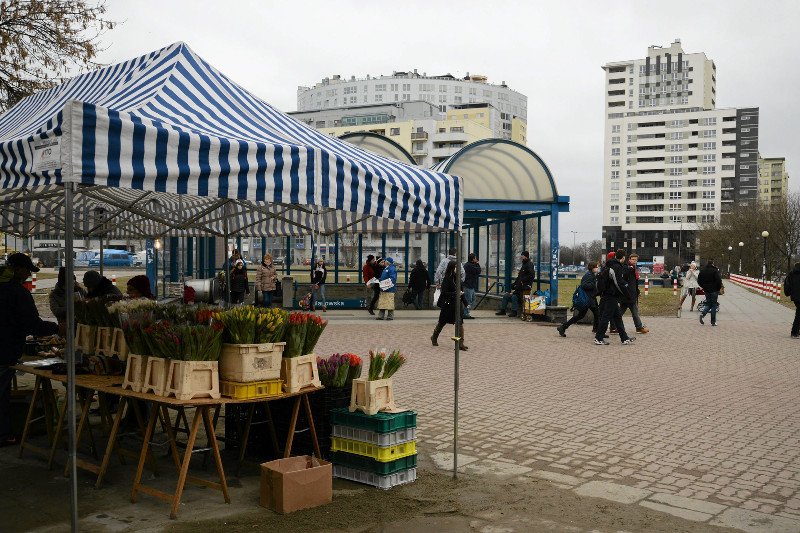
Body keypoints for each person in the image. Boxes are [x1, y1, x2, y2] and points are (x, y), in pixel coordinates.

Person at [0, 253, 59, 447]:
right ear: (18, 269)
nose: (28, 276)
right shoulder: (17, 292)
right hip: (4, 351)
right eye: (27, 271)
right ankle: (4, 435)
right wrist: (59, 329)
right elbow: (32, 324)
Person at [595, 249, 635, 345]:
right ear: (623, 257)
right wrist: (627, 294)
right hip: (611, 295)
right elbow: (618, 283)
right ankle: (598, 338)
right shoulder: (616, 267)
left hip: (608, 294)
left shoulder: (609, 265)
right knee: (606, 316)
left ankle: (624, 338)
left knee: (617, 317)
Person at [431, 261, 468, 350]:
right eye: (456, 267)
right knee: (442, 322)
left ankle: (460, 343)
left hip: (457, 305)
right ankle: (434, 337)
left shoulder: (458, 278)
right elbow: (444, 293)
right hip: (448, 305)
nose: (457, 269)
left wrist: (465, 303)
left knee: (460, 323)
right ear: (452, 268)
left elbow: (461, 291)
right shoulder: (447, 279)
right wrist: (455, 293)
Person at [557, 262, 600, 337]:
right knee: (597, 314)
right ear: (593, 268)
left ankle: (563, 327)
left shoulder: (591, 274)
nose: (597, 268)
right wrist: (593, 285)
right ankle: (599, 332)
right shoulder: (589, 275)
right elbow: (584, 285)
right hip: (588, 299)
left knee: (581, 316)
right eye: (596, 267)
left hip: (590, 298)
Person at [495, 251, 535, 318]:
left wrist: (522, 281)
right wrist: (513, 284)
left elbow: (531, 275)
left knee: (514, 297)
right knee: (506, 296)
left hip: (524, 289)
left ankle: (514, 312)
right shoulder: (524, 265)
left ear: (525, 256)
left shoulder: (529, 264)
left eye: (522, 256)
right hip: (518, 289)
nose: (521, 257)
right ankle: (503, 310)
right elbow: (519, 278)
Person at [619, 253, 649, 334]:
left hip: (631, 294)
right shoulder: (626, 268)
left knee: (620, 312)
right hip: (628, 295)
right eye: (633, 259)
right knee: (634, 313)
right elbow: (622, 280)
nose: (634, 261)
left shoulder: (633, 268)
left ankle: (613, 326)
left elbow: (634, 283)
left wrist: (637, 291)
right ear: (629, 259)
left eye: (636, 260)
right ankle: (639, 327)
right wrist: (628, 290)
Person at [697, 259, 722, 326]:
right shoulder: (715, 271)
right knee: (714, 305)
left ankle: (702, 314)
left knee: (708, 304)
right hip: (714, 290)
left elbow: (699, 280)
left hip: (706, 290)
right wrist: (718, 288)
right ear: (713, 263)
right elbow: (719, 280)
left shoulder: (702, 271)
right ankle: (713, 322)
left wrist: (703, 286)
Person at [783, 261, 800, 338]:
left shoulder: (792, 273)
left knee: (799, 313)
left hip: (795, 296)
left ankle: (796, 331)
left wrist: (790, 293)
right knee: (799, 314)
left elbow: (787, 284)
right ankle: (794, 333)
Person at [463, 253, 481, 319]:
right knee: (468, 300)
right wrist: (478, 263)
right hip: (468, 286)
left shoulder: (470, 265)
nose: (476, 259)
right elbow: (478, 271)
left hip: (470, 286)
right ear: (473, 259)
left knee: (473, 300)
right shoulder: (469, 266)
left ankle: (465, 312)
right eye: (475, 258)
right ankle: (465, 314)